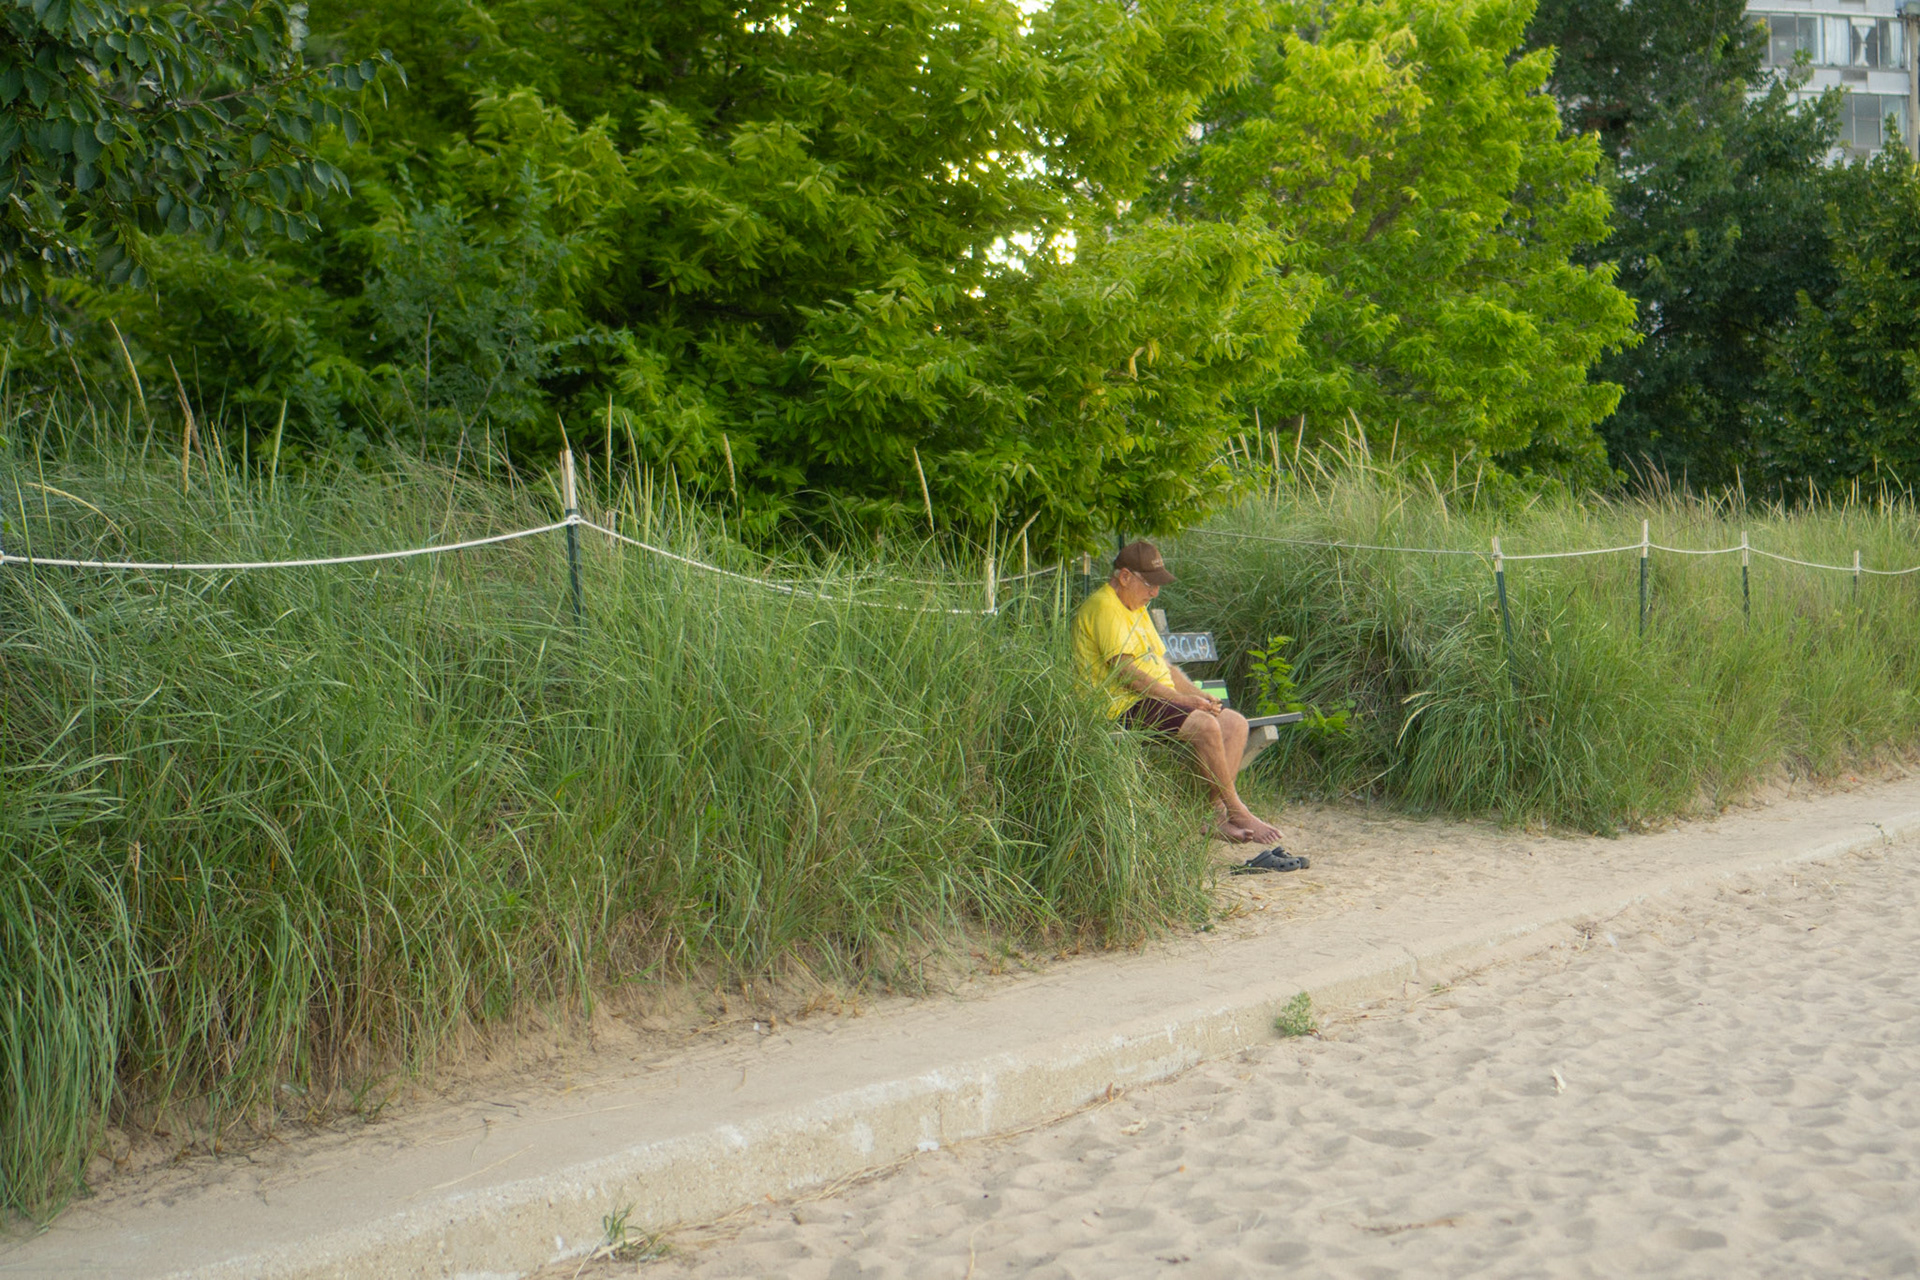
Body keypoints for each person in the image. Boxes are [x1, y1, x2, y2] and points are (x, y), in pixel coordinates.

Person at [1071, 540, 1286, 845]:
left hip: (1150, 701)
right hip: (1118, 707)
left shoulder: (1135, 606)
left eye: (1158, 585)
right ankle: (1236, 810)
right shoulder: (1104, 606)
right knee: (1204, 724)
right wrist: (1183, 701)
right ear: (1124, 576)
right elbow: (1126, 673)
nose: (1155, 593)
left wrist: (1198, 694)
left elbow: (1164, 666)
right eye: (1150, 584)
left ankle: (1212, 816)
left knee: (1234, 723)